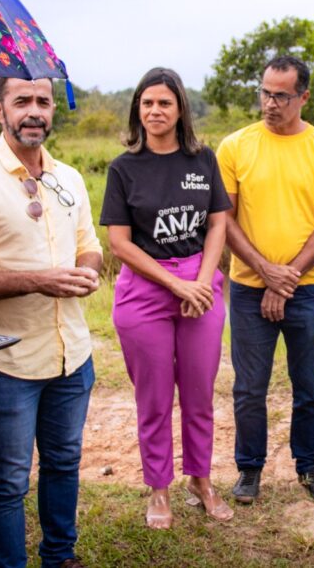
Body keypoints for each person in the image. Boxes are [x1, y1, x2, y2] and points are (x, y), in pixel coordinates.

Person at [0, 77, 102, 568]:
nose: (34, 111)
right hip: (8, 360)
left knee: (64, 463)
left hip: (72, 353)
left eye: (43, 102)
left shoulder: (68, 177)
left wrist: (86, 271)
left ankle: (60, 555)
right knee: (9, 480)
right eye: (22, 101)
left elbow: (89, 245)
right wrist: (38, 281)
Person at [100, 68, 233, 529]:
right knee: (154, 398)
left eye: (164, 103)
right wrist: (177, 286)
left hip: (200, 285)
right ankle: (158, 487)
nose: (155, 111)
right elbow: (120, 243)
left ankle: (201, 479)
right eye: (147, 103)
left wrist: (202, 281)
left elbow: (217, 223)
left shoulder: (203, 160)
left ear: (180, 110)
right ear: (137, 109)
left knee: (199, 394)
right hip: (145, 290)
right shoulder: (123, 168)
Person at [216, 55, 314, 505]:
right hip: (248, 288)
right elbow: (225, 219)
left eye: (281, 96)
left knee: (308, 386)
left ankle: (309, 466)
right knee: (249, 387)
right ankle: (249, 468)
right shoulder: (235, 146)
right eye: (265, 93)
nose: (270, 103)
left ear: (303, 97)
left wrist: (284, 280)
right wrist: (265, 273)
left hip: (307, 290)